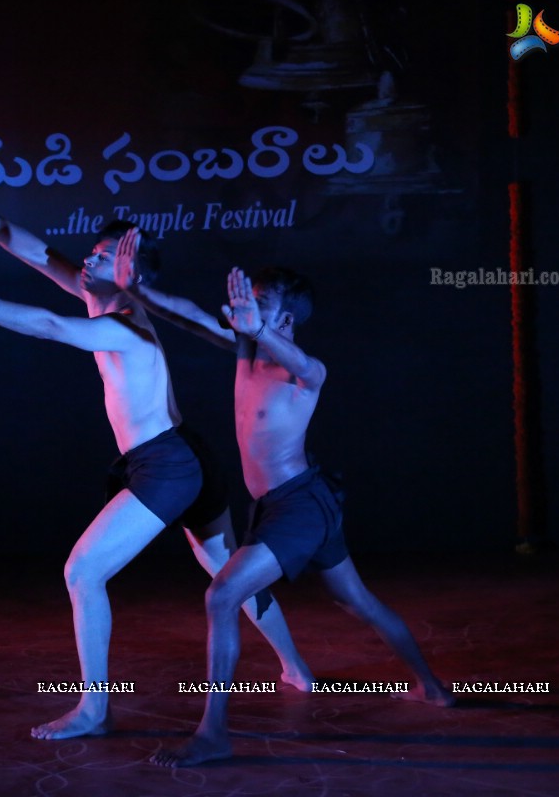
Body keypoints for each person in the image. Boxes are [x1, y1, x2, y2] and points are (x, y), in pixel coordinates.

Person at [0, 161, 313, 741]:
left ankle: (93, 709)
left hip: (168, 465)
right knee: (226, 570)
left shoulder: (125, 325)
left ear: (128, 274)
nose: (86, 260)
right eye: (91, 252)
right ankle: (296, 668)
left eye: (103, 257)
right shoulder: (98, 296)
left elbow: (48, 326)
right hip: (185, 455)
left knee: (83, 572)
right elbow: (34, 251)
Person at [108, 234, 454, 767]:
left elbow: (309, 367)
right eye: (243, 301)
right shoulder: (245, 346)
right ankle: (432, 687)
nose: (237, 310)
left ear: (286, 318)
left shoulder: (301, 368)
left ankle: (213, 734)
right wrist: (141, 290)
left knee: (221, 596)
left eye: (256, 303)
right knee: (355, 601)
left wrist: (260, 328)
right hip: (285, 506)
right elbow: (190, 317)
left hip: (300, 506)